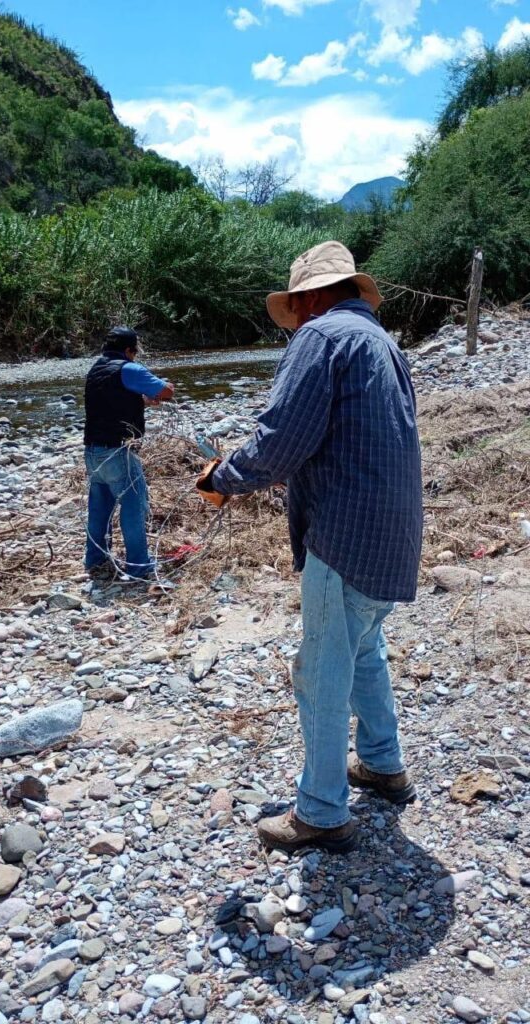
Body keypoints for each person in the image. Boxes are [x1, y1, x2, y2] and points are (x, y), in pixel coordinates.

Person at [196, 241, 423, 854]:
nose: (292, 317)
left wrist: (221, 479)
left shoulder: (321, 338)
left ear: (315, 296)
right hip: (393, 534)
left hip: (345, 535)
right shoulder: (381, 342)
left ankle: (322, 812)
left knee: (320, 670)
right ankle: (383, 764)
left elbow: (279, 443)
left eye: (295, 304)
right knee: (365, 649)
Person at [84, 325, 175, 580]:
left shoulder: (96, 369)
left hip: (92, 451)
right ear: (128, 350)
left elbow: (111, 400)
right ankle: (138, 565)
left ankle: (95, 559)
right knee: (134, 506)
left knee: (99, 509)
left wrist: (141, 400)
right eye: (134, 352)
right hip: (119, 450)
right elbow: (166, 391)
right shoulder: (129, 369)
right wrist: (164, 387)